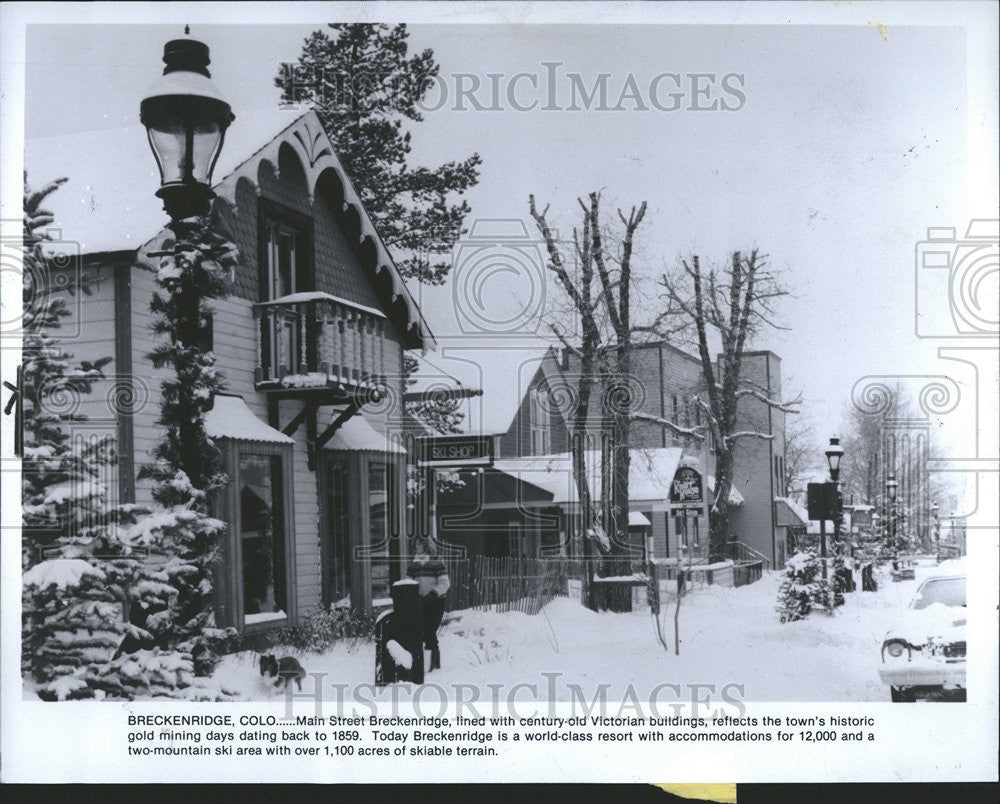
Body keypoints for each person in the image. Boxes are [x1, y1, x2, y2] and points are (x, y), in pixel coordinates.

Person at [406, 537, 450, 672]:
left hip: (436, 602)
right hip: (421, 602)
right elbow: (409, 583)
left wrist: (433, 594)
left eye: (419, 544)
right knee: (422, 631)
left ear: (426, 546)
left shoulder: (436, 563)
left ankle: (435, 664)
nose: (416, 547)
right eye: (415, 544)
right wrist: (413, 595)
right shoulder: (413, 565)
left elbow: (445, 583)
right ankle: (427, 663)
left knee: (430, 630)